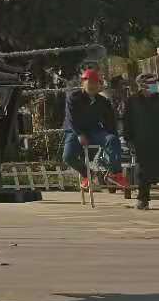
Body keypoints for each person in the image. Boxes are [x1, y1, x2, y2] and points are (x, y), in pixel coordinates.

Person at [62, 67, 123, 187]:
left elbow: (110, 123)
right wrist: (79, 134)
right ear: (83, 83)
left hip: (94, 130)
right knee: (68, 157)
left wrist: (113, 138)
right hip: (75, 131)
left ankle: (115, 173)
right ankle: (88, 174)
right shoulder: (74, 98)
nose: (93, 86)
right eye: (89, 83)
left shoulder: (103, 102)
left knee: (112, 139)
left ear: (99, 85)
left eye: (96, 83)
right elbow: (71, 119)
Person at [127, 72, 159, 210]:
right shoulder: (133, 100)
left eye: (155, 84)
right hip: (142, 141)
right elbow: (127, 120)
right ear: (142, 86)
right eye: (151, 84)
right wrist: (128, 139)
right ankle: (143, 199)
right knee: (144, 171)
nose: (154, 86)